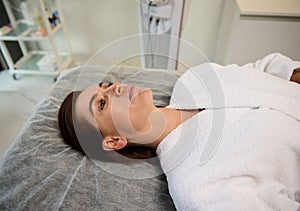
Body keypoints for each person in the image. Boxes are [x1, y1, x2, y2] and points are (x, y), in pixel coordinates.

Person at [58, 53, 300, 210]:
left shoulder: (194, 78)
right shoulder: (197, 187)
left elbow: (261, 67)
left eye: (107, 86)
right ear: (113, 140)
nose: (116, 88)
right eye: (102, 103)